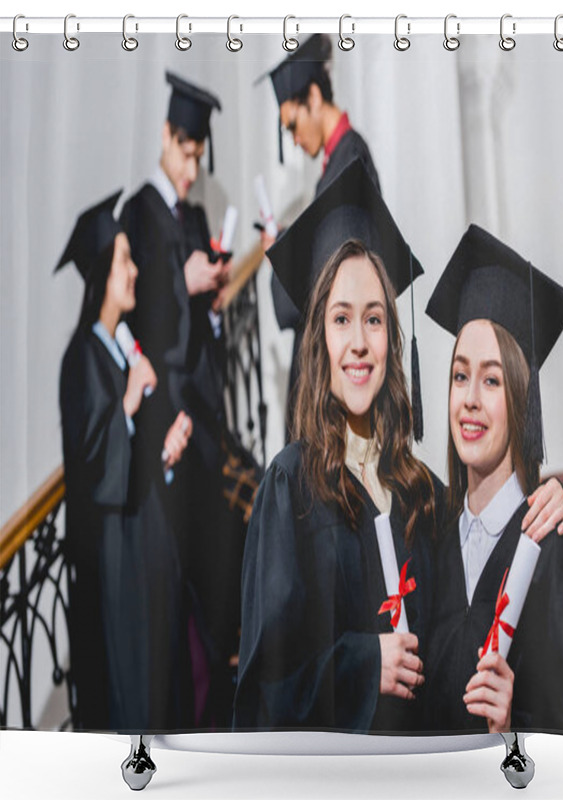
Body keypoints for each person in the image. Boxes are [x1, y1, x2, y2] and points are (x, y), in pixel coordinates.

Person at [234, 168, 563, 732]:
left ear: (393, 337)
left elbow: (462, 655)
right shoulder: (289, 489)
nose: (360, 343)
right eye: (342, 319)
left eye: (374, 318)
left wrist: (556, 499)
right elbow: (263, 696)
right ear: (319, 336)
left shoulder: (425, 497)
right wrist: (365, 664)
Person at [424, 225, 563, 736]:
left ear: (522, 401)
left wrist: (512, 733)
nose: (470, 398)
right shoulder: (429, 544)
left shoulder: (552, 548)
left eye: (491, 380)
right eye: (460, 376)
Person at [120, 72, 240, 728]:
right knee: (183, 583)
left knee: (217, 566)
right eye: (186, 153)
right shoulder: (140, 212)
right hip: (168, 419)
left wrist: (212, 301)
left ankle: (222, 703)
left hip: (204, 414)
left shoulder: (192, 217)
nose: (193, 169)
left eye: (200, 157)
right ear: (167, 137)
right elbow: (139, 315)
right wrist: (181, 283)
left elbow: (199, 329)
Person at [57, 191, 192, 731]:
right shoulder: (82, 358)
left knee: (163, 685)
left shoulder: (120, 344)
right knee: (132, 692)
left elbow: (131, 458)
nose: (134, 270)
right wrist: (130, 402)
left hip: (148, 549)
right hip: (118, 565)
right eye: (123, 261)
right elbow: (93, 467)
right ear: (100, 278)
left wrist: (164, 451)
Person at [256, 34, 381, 439]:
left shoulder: (350, 162)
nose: (293, 138)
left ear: (313, 97)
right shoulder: (336, 167)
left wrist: (283, 258)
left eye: (292, 124)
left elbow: (328, 279)